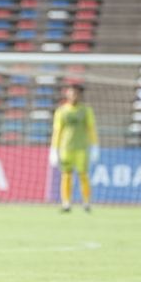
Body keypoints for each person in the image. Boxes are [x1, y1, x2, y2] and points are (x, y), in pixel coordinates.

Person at [48, 84, 99, 213]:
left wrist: (95, 145)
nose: (73, 95)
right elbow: (57, 131)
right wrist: (54, 149)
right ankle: (66, 203)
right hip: (66, 148)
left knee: (83, 175)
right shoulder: (62, 111)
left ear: (80, 95)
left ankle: (86, 202)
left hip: (81, 147)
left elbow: (91, 129)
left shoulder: (86, 110)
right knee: (66, 175)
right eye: (71, 93)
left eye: (75, 93)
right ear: (67, 94)